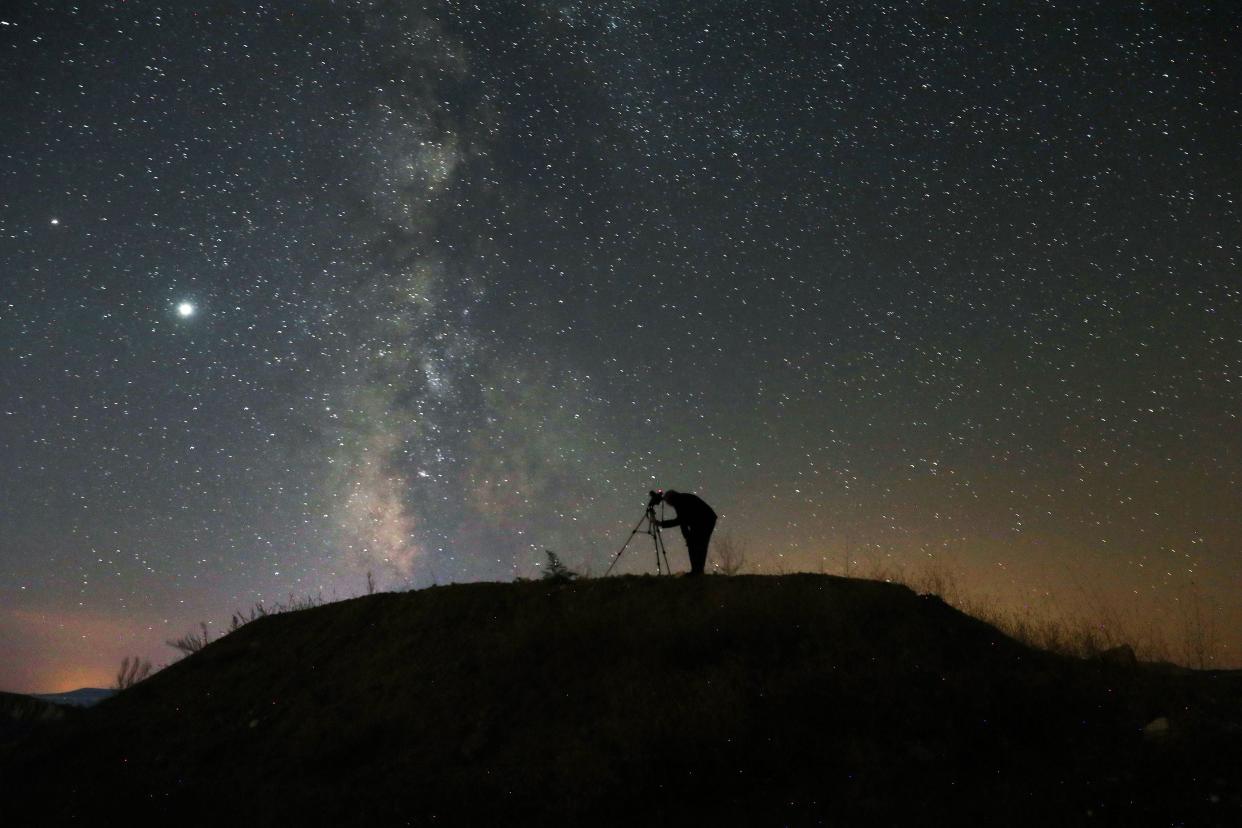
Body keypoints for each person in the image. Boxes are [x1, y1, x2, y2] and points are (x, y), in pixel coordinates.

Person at [655, 489, 717, 576]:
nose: (668, 504)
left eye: (668, 502)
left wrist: (661, 524)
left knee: (698, 544)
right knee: (698, 544)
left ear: (671, 499)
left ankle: (697, 572)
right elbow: (682, 521)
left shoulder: (680, 502)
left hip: (704, 521)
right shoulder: (681, 499)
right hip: (703, 520)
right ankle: (697, 571)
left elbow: (681, 521)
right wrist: (688, 537)